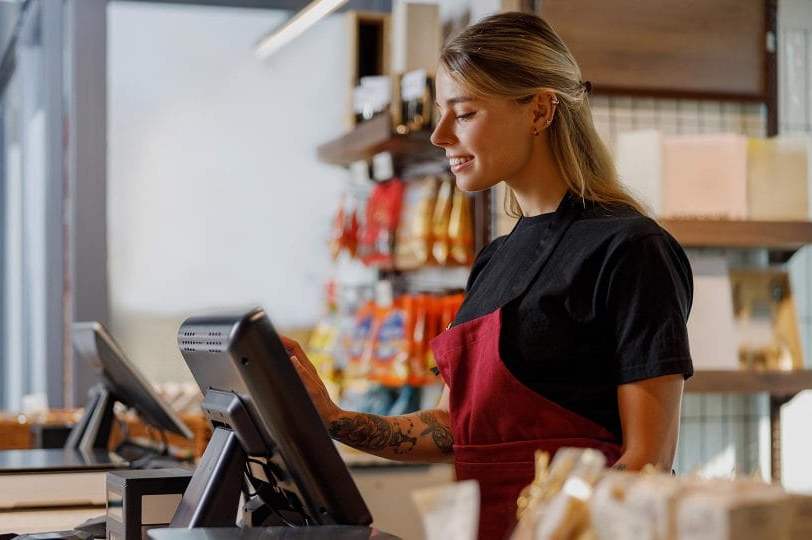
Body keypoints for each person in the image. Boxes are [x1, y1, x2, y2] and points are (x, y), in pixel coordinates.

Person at [284, 11, 693, 540]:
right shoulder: (495, 258)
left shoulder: (632, 250)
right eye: (440, 113)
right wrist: (333, 419)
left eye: (464, 112)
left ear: (540, 110)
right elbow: (454, 427)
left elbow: (648, 460)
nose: (438, 135)